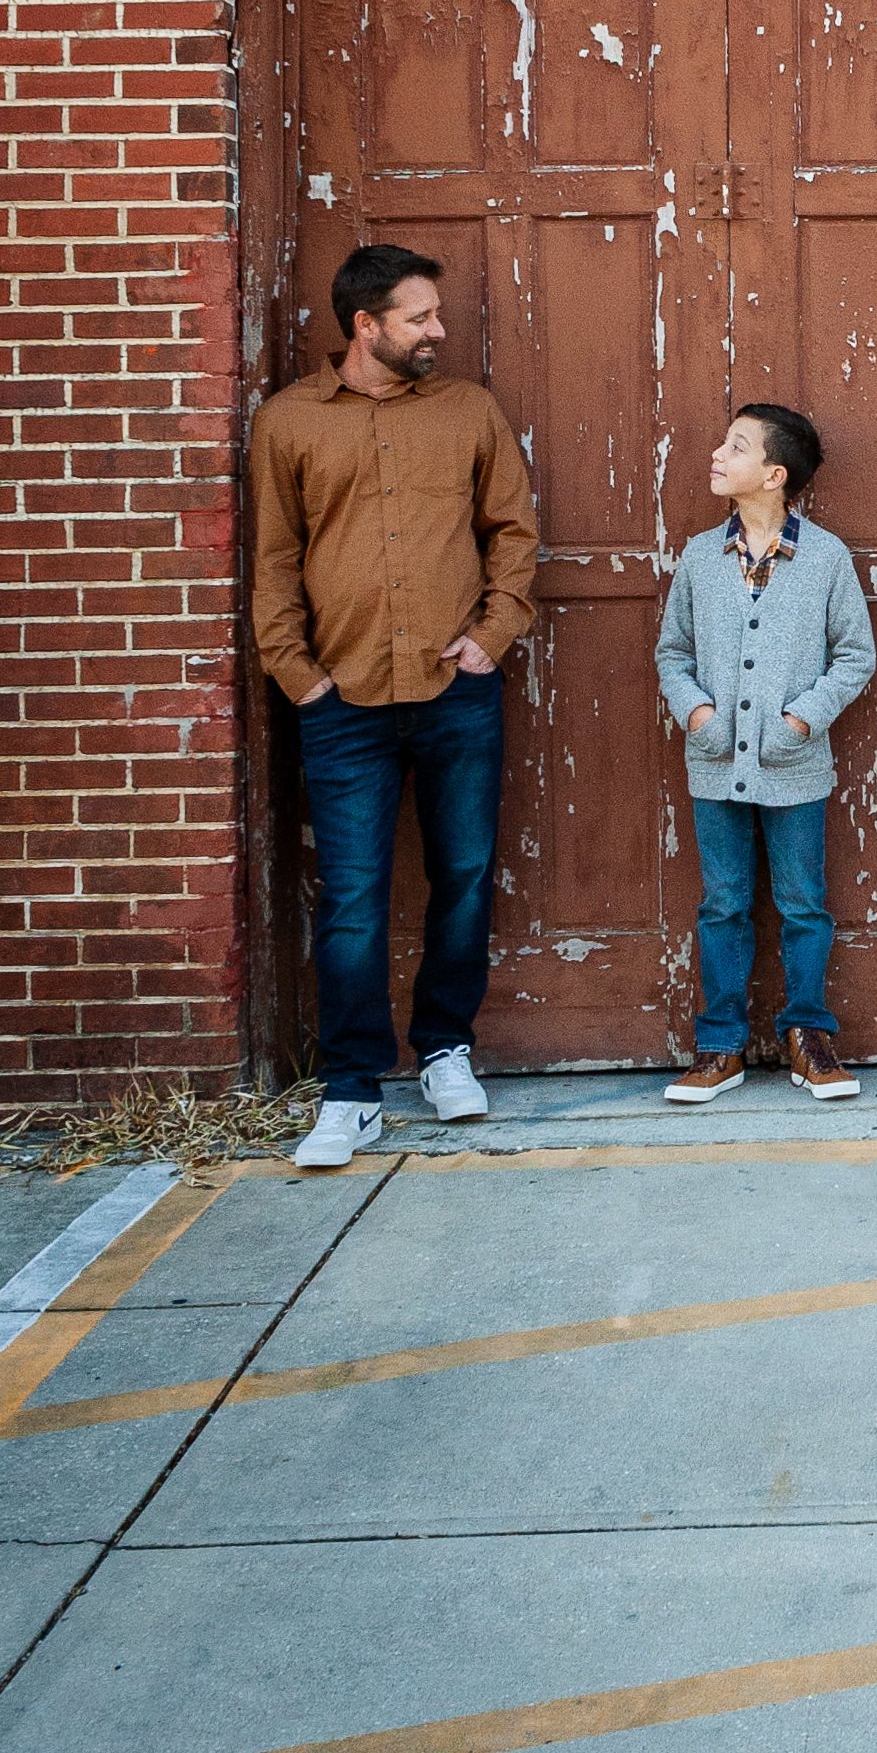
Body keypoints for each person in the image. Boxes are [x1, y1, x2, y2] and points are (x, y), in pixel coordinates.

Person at [249, 244, 540, 1171]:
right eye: (420, 317)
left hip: (456, 692)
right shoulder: (288, 422)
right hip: (341, 700)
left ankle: (446, 1049)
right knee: (354, 899)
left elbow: (515, 534)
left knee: (460, 877)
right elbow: (274, 561)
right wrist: (300, 675)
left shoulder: (468, 411)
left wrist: (489, 640)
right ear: (365, 325)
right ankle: (352, 1089)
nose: (439, 331)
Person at [656, 402, 876, 1104]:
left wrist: (800, 722)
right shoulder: (698, 555)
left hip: (794, 763)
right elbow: (672, 652)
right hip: (715, 762)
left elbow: (854, 655)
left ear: (774, 474)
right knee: (722, 903)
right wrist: (697, 711)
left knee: (802, 902)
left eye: (737, 445)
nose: (718, 453)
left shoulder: (826, 558)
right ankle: (719, 1044)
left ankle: (807, 1036)